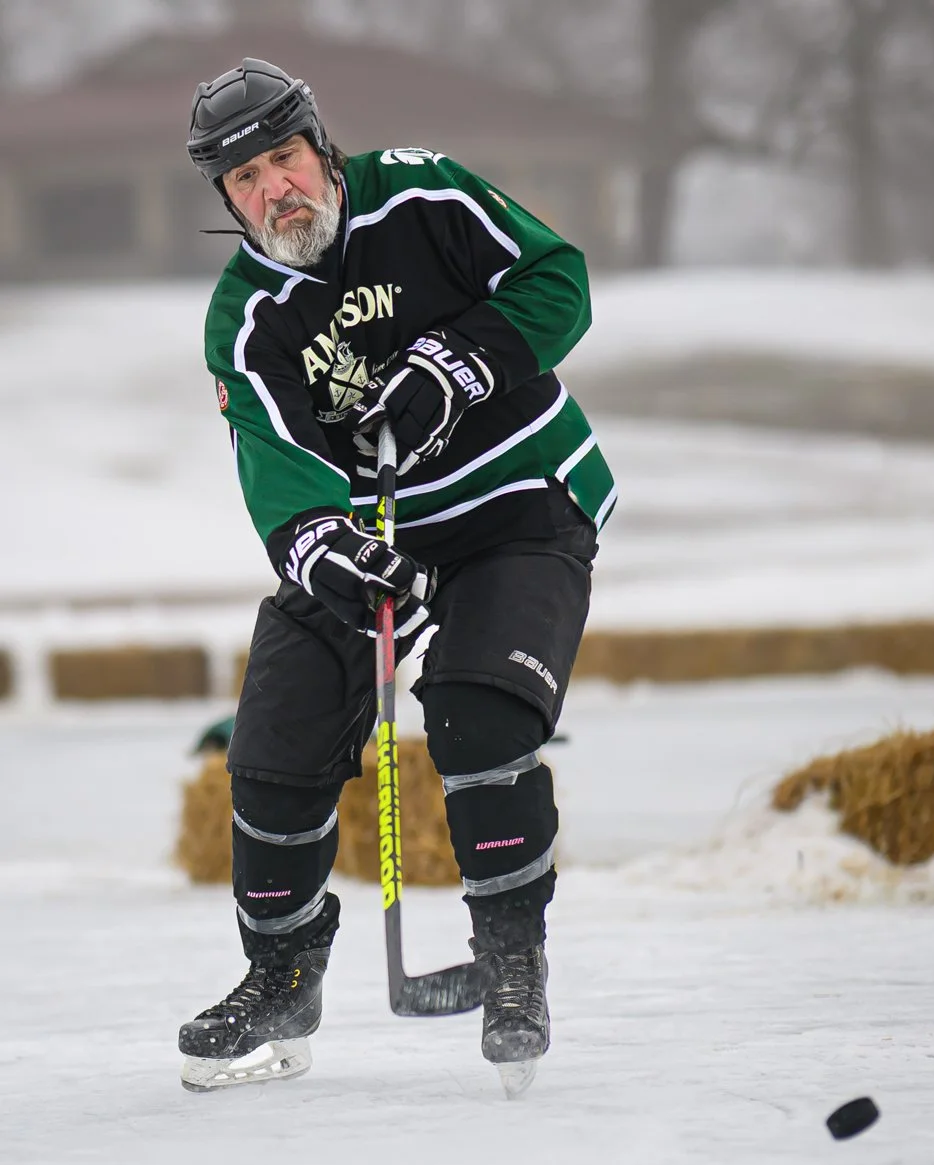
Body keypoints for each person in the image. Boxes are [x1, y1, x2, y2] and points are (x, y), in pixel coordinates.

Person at [178, 57, 616, 1093]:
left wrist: (453, 365)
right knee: (273, 742)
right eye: (244, 178)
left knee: (479, 712)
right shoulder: (244, 318)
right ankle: (280, 971)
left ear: (320, 147)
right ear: (226, 197)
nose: (274, 188)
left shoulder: (423, 191)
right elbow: (276, 464)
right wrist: (327, 549)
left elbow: (561, 279)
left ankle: (510, 962)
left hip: (518, 499)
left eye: (283, 157)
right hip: (378, 527)